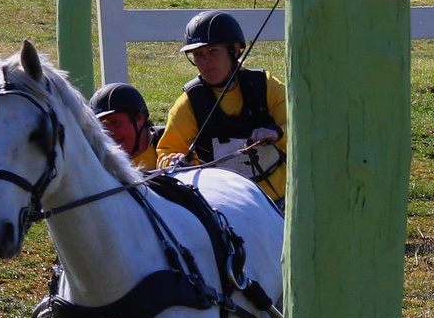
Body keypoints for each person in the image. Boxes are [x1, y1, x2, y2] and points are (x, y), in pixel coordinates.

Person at [155, 10, 288, 205]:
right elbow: (166, 154)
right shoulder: (188, 103)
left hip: (281, 200)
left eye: (212, 51)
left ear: (234, 50)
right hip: (226, 207)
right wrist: (175, 161)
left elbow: (300, 129)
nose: (205, 62)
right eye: (198, 55)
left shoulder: (267, 86)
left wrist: (276, 133)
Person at [89, 81, 160, 170]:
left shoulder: (170, 147)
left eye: (115, 122)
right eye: (103, 126)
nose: (109, 133)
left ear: (139, 119)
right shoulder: (96, 166)